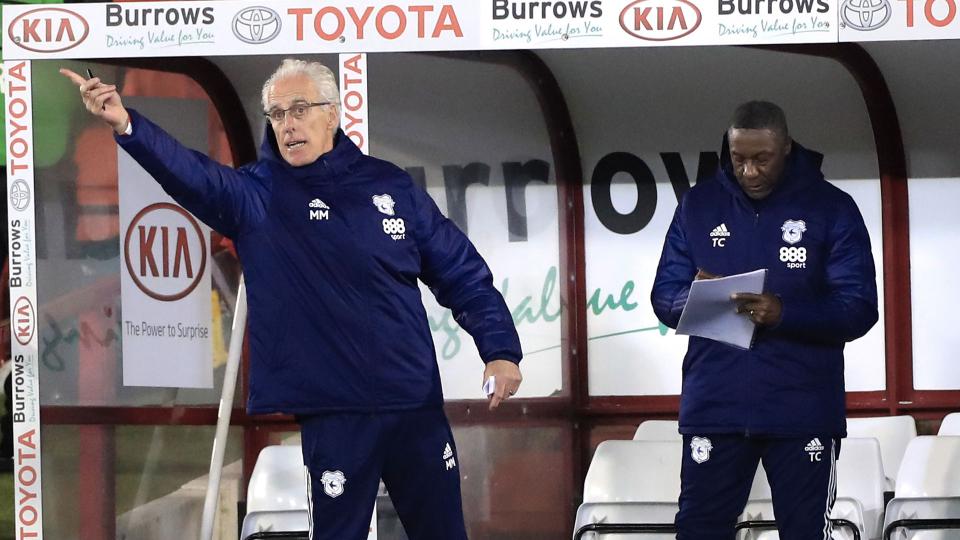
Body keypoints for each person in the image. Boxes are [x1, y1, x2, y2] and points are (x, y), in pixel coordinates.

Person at [61, 59, 523, 540]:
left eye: (300, 109)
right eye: (277, 114)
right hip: (335, 414)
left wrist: (500, 350)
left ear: (332, 114)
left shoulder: (390, 186)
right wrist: (128, 125)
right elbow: (191, 174)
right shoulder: (257, 194)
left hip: (414, 404)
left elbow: (460, 271)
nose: (288, 125)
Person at [650, 101, 878, 540]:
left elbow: (859, 306)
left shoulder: (832, 207)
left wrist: (783, 313)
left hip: (802, 410)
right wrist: (697, 298)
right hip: (714, 406)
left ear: (786, 147)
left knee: (805, 532)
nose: (749, 171)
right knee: (697, 531)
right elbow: (664, 296)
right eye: (739, 159)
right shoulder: (698, 205)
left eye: (762, 159)